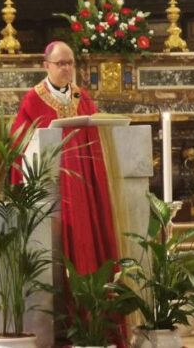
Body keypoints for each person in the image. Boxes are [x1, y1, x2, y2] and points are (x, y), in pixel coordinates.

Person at [10, 41, 119, 275]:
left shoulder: (82, 96)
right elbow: (19, 141)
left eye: (70, 63)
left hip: (84, 183)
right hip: (52, 185)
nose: (67, 69)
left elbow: (95, 137)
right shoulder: (33, 99)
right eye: (61, 64)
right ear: (46, 65)